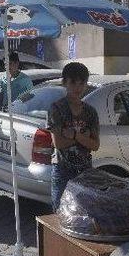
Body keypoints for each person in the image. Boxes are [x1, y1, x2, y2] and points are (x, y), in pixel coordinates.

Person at [49, 62, 100, 211]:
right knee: (60, 213)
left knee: (83, 213)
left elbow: (95, 145)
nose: (77, 87)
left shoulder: (90, 112)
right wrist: (84, 138)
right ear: (64, 82)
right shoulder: (57, 108)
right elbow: (58, 143)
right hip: (62, 169)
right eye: (73, 82)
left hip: (85, 170)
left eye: (82, 83)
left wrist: (74, 135)